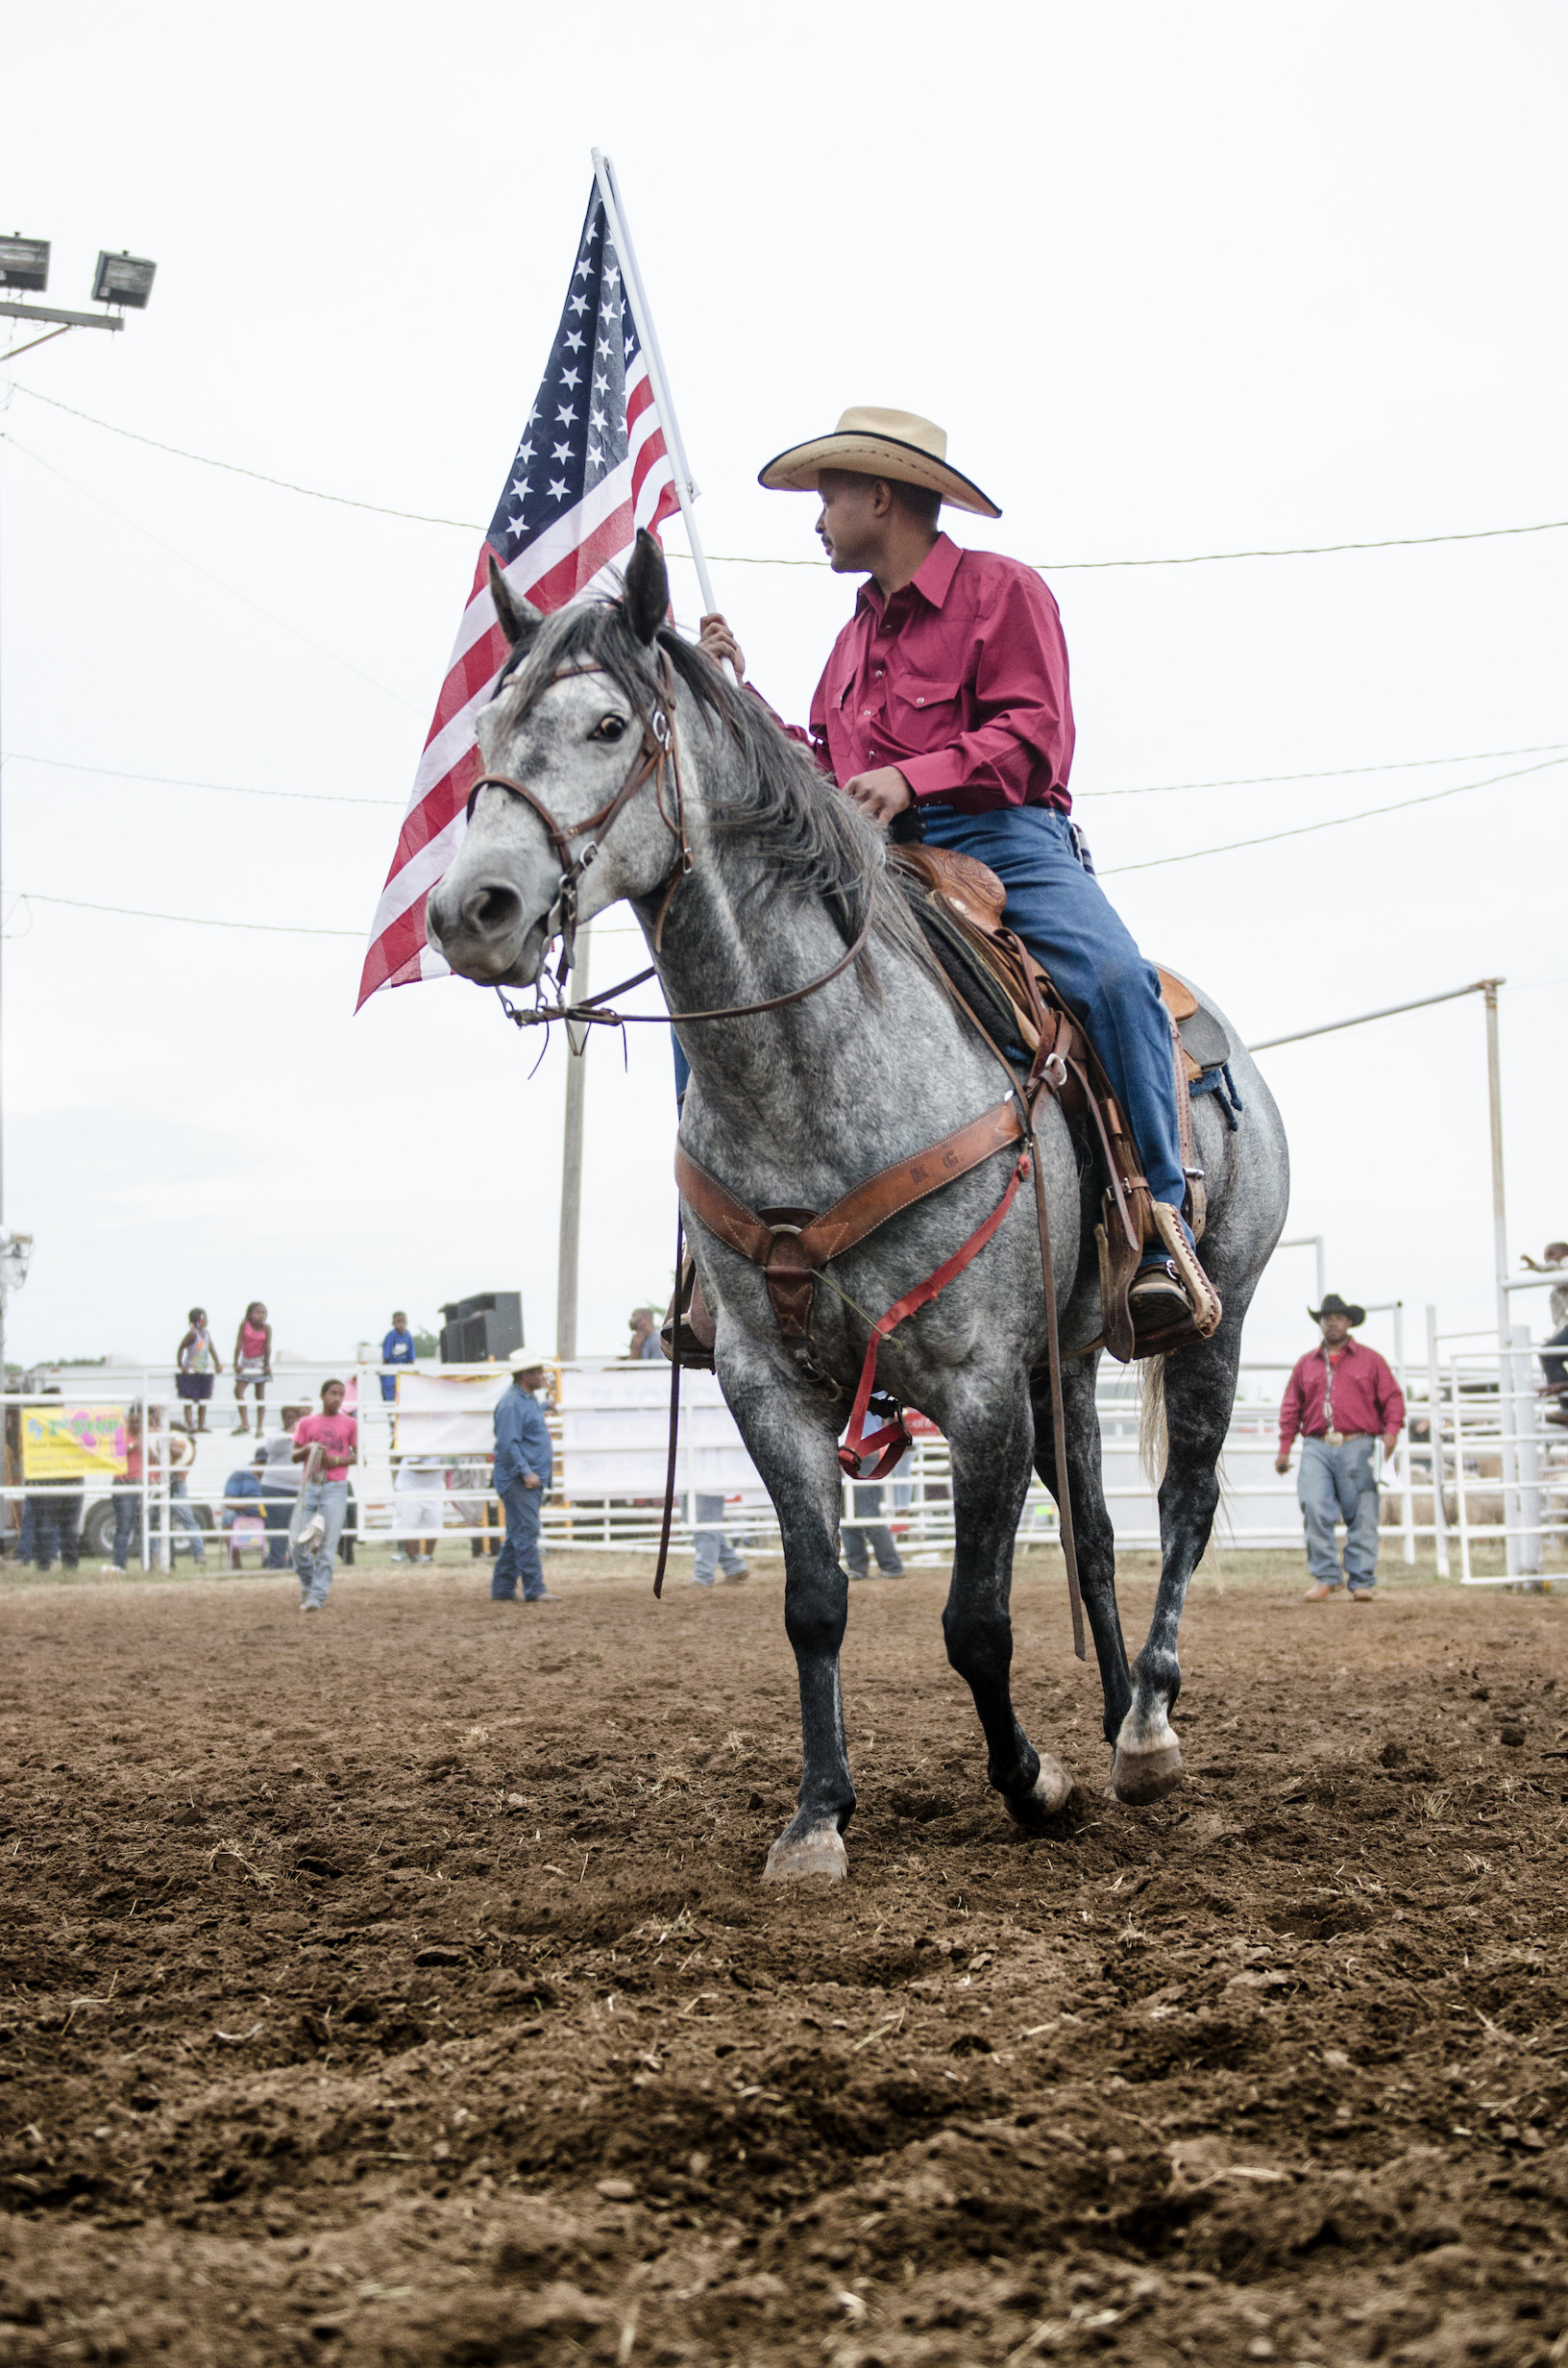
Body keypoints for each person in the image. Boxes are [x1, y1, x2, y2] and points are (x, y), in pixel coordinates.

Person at [697, 405, 1216, 1349]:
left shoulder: (1002, 592)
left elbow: (1032, 735)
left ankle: (1160, 1226)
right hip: (875, 859)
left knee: (1113, 982)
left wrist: (911, 775)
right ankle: (723, 1257)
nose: (817, 517)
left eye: (829, 496)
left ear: (881, 498)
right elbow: (823, 775)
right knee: (733, 983)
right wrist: (740, 701)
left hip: (1005, 844)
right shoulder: (848, 643)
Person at [1276, 1295, 1405, 1601]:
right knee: (1314, 1504)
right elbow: (1291, 1406)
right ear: (1321, 1323)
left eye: (1338, 1316)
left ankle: (1361, 1579)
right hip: (1317, 1444)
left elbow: (1393, 1398)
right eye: (1327, 1317)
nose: (1332, 1321)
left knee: (1362, 1512)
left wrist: (1391, 1433)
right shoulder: (1306, 1364)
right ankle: (1327, 1576)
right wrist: (1284, 1447)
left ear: (1348, 1322)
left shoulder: (1371, 1360)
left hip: (1358, 1443)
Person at [491, 1349, 555, 1602]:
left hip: (523, 1480)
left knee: (519, 1533)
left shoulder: (521, 1400)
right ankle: (535, 1588)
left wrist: (544, 1405)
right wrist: (526, 1472)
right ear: (525, 1375)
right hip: (521, 1481)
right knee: (527, 1532)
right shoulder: (512, 1404)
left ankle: (503, 1588)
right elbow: (508, 1444)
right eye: (538, 1372)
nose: (542, 1376)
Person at [290, 1379, 356, 1611]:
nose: (336, 1398)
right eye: (332, 1393)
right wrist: (308, 1450)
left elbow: (358, 1456)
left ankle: (316, 1596)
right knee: (296, 1543)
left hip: (335, 1486)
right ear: (323, 1395)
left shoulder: (350, 1424)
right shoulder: (307, 1423)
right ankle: (309, 1583)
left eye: (340, 1394)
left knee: (328, 1546)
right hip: (311, 1484)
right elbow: (294, 1455)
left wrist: (336, 1460)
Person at [31, 1389, 84, 1575]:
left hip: (71, 1477)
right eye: (58, 1402)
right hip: (47, 1477)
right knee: (46, 1525)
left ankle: (70, 1566)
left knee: (69, 1526)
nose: (62, 1405)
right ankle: (45, 1565)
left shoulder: (72, 1423)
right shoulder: (35, 1424)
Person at [1522, 1244, 1568, 1421]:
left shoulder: (1564, 1264)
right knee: (1551, 1353)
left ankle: (1566, 1409)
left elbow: (1557, 1271)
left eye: (1551, 1253)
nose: (1548, 1258)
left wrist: (1536, 1267)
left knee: (1549, 1353)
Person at [257, 1402, 306, 1568]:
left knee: (298, 1530)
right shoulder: (276, 1435)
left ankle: (295, 1564)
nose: (290, 1421)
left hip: (299, 1489)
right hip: (275, 1488)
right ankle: (276, 1564)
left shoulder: (306, 1436)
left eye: (294, 1417)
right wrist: (290, 1433)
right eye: (287, 1417)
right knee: (278, 1529)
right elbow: (273, 1448)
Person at [105, 1405, 148, 1573]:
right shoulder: (121, 1434)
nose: (136, 1425)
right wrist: (134, 1445)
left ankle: (147, 1563)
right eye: (134, 1421)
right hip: (123, 1483)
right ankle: (120, 1564)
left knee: (144, 1526)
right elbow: (116, 1453)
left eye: (140, 1422)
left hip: (141, 1482)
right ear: (128, 1420)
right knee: (124, 1525)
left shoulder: (147, 1436)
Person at [842, 1477, 906, 1579]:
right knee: (847, 1516)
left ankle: (891, 1565)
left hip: (862, 1466)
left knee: (868, 1516)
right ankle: (857, 1567)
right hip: (844, 1466)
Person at [175, 1307, 222, 1433]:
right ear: (198, 1320)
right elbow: (181, 1348)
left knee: (203, 1398)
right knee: (189, 1398)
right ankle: (190, 1424)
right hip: (191, 1370)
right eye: (204, 1318)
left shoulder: (206, 1334)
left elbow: (211, 1349)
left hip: (203, 1370)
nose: (206, 1320)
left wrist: (218, 1363)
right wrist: (181, 1365)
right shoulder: (192, 1333)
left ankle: (201, 1424)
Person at [393, 1452, 446, 1563]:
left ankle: (428, 1557)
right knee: (409, 1525)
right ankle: (412, 1559)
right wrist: (441, 1465)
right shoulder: (416, 1439)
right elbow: (414, 1466)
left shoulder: (444, 1441)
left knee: (434, 1524)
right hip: (409, 1488)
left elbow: (454, 1462)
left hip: (434, 1488)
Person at [222, 1450, 270, 1568]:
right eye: (261, 1463)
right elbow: (228, 1501)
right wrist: (245, 1505)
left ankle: (271, 1558)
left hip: (266, 1513)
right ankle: (236, 1562)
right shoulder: (240, 1476)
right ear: (256, 1462)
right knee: (228, 1517)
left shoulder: (272, 1477)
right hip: (243, 1513)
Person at [689, 1493, 748, 1590]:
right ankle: (734, 1566)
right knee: (698, 1522)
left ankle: (703, 1576)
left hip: (704, 1483)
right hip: (685, 1481)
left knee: (704, 1524)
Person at [232, 1302, 273, 1434]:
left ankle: (259, 1427)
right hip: (246, 1361)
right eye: (257, 1312)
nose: (261, 1316)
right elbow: (239, 1344)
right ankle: (245, 1422)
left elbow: (267, 1347)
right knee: (238, 1391)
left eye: (263, 1313)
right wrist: (235, 1363)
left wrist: (266, 1365)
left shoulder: (267, 1328)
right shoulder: (244, 1325)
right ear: (250, 1314)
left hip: (259, 1361)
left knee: (260, 1395)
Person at [380, 1310, 419, 1404]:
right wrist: (384, 1371)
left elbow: (411, 1356)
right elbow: (386, 1356)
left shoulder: (408, 1336)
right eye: (398, 1322)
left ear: (406, 1323)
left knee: (404, 1396)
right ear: (393, 1323)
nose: (401, 1324)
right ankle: (391, 1417)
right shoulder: (391, 1336)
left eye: (403, 1322)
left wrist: (414, 1369)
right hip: (390, 1372)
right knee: (389, 1397)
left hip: (402, 1371)